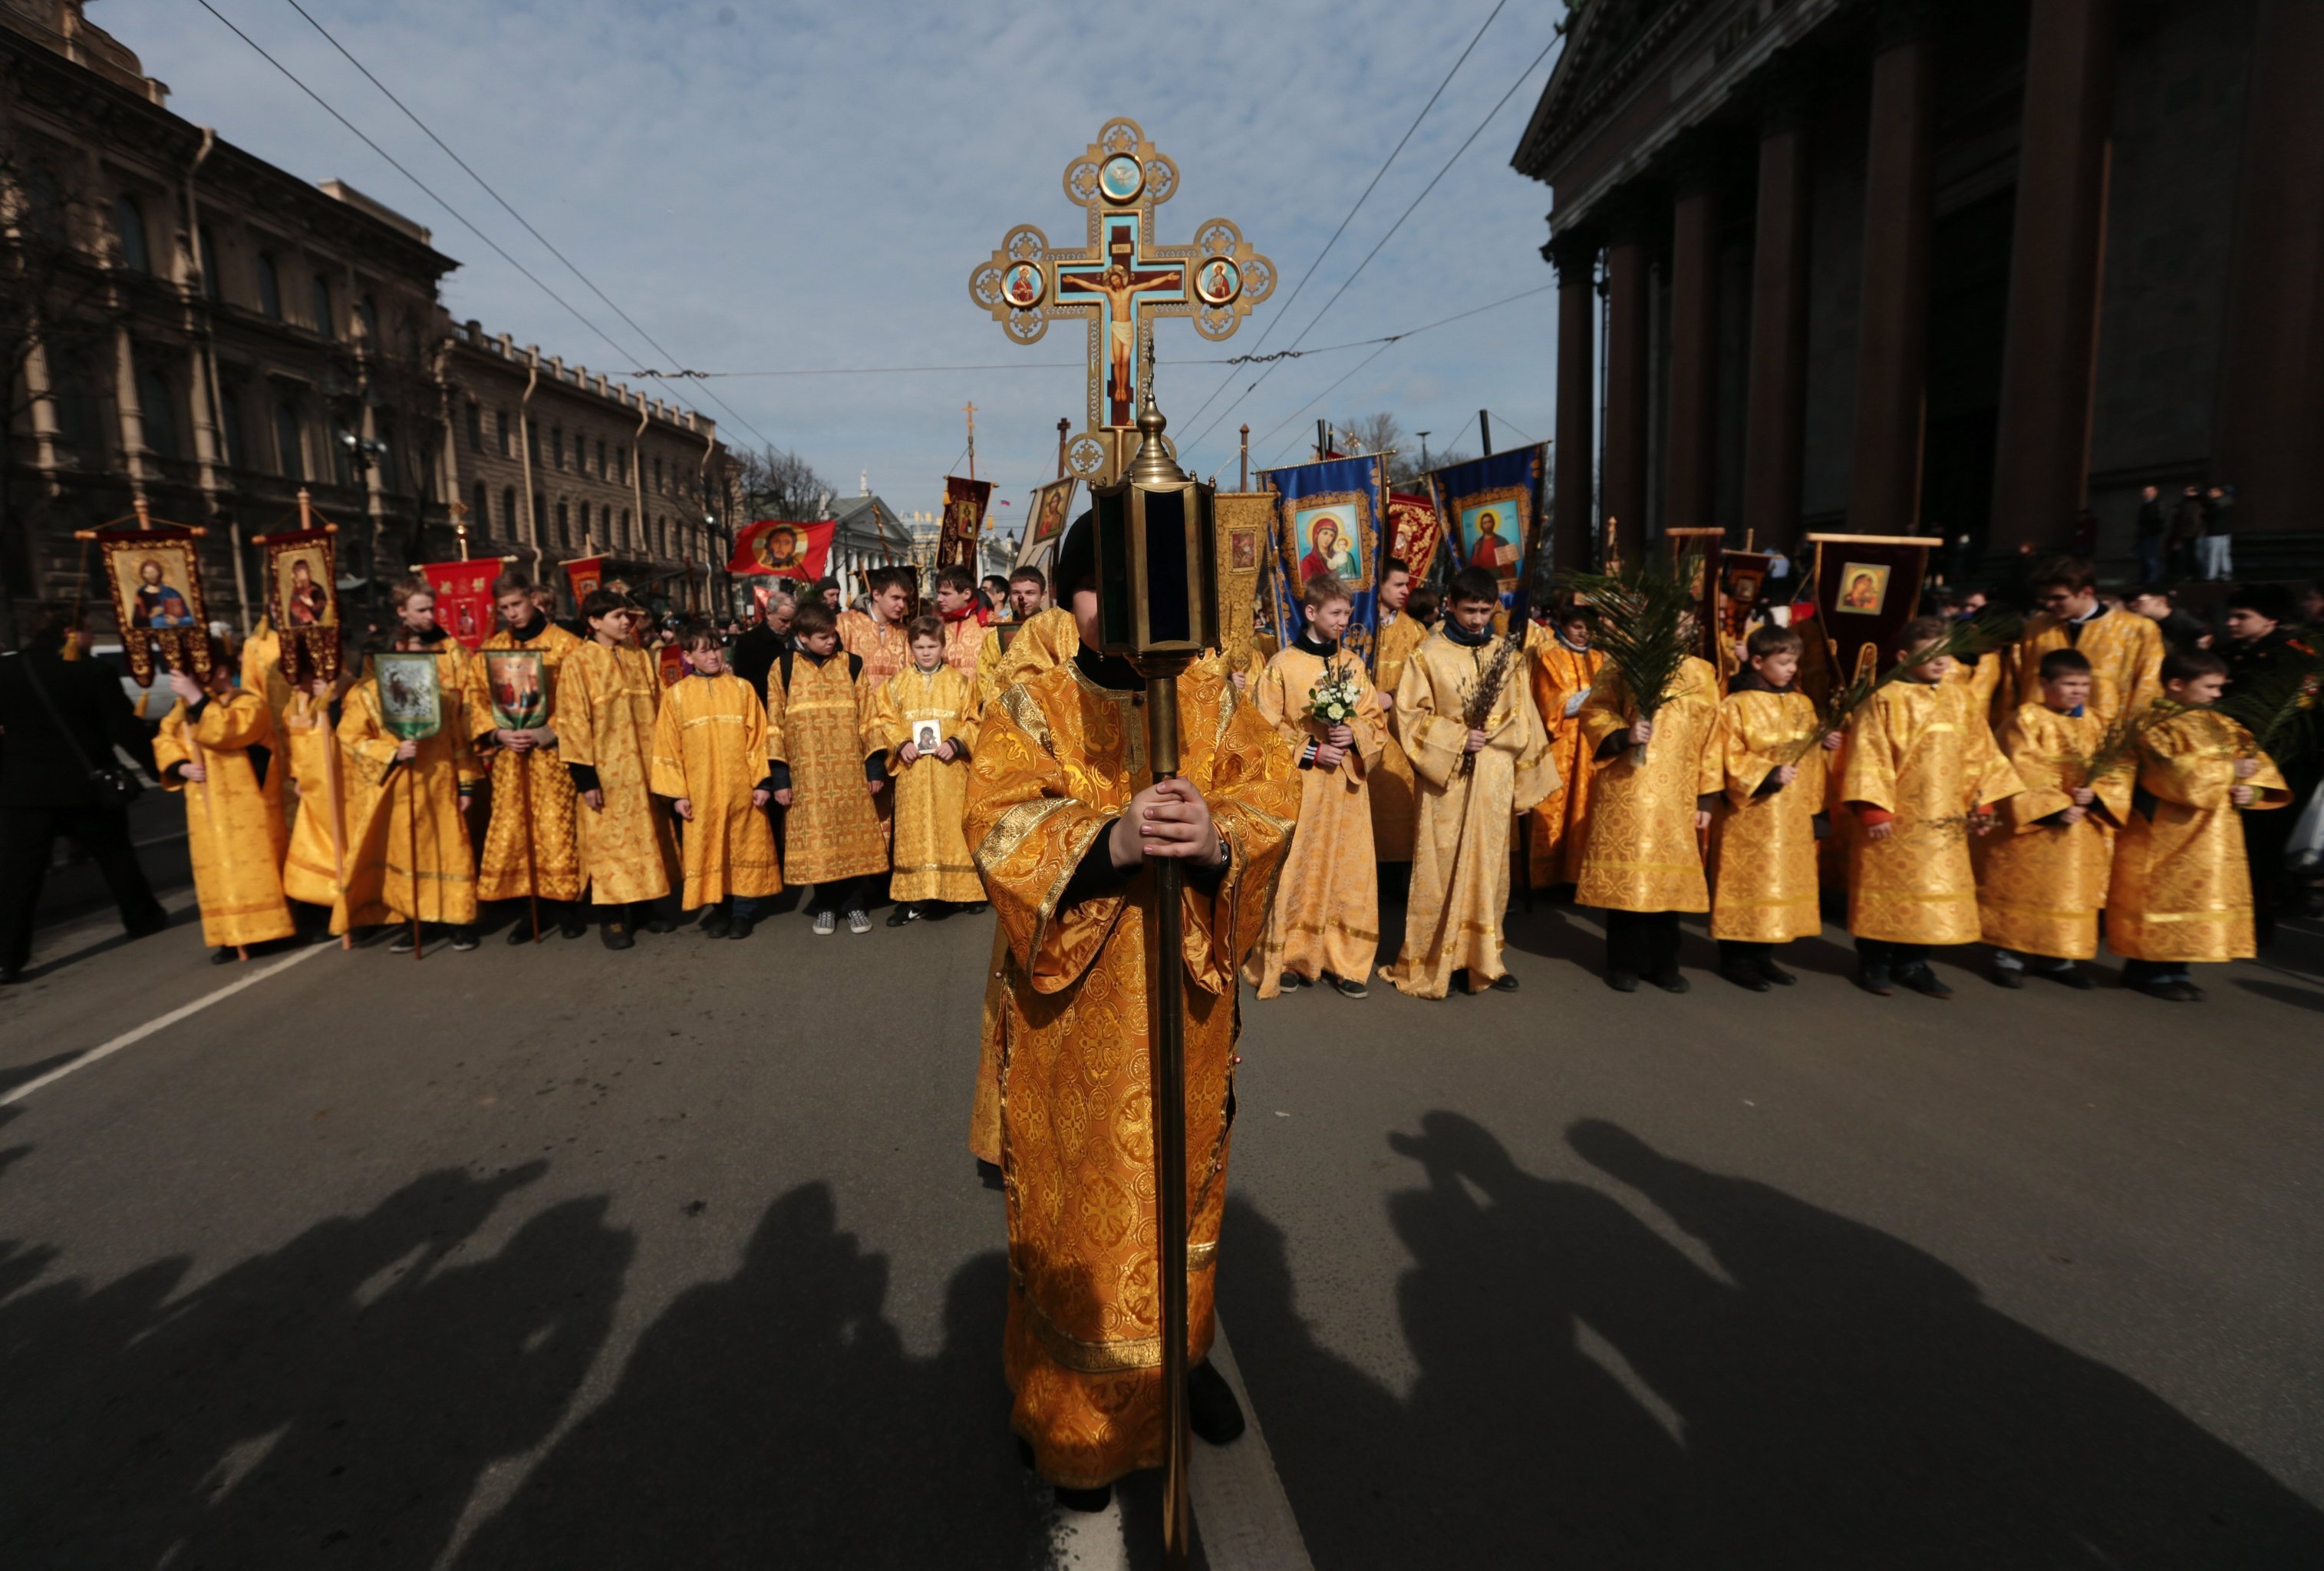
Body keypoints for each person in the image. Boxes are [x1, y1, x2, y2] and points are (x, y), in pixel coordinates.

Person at [963, 510, 1299, 1508]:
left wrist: (1219, 831)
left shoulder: (1232, 688)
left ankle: (1178, 1357)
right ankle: (1072, 1404)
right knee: (1078, 1198)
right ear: (1070, 597)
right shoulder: (1036, 696)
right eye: (1103, 584)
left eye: (1155, 584)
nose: (1130, 607)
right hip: (1074, 1010)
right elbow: (996, 811)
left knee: (1183, 1186)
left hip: (1186, 1001)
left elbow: (1273, 784)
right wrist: (1104, 839)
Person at [1382, 566, 1556, 998]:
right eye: (1469, 610)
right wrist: (1459, 737)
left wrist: (1525, 785)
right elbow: (1408, 717)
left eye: (1484, 611)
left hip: (1494, 777)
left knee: (1489, 868)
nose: (1478, 620)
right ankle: (1435, 958)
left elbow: (1527, 719)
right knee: (1440, 866)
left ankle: (1485, 958)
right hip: (1448, 780)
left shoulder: (1508, 656)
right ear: (1450, 606)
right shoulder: (1428, 656)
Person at [1840, 616, 2022, 998]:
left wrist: (1982, 804)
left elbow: (1980, 754)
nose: (1942, 662)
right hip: (1895, 817)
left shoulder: (1959, 697)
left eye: (1947, 654)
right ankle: (1874, 962)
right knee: (1886, 889)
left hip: (1944, 818)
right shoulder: (1883, 698)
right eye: (1932, 654)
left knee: (1931, 892)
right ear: (1906, 656)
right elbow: (1868, 756)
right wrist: (1873, 809)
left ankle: (1913, 964)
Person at [0, 606, 169, 982]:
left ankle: (7, 957)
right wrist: (163, 768)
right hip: (87, 786)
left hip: (24, 792)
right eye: (88, 631)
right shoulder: (92, 670)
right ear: (71, 633)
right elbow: (124, 729)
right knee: (115, 856)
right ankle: (142, 918)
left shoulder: (6, 670)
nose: (92, 638)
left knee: (18, 876)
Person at [2110, 649, 2291, 998]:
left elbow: (2255, 760)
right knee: (2165, 898)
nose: (2217, 694)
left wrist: (2250, 793)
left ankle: (2178, 968)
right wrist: (2228, 773)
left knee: (2201, 898)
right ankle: (2145, 971)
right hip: (2169, 829)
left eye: (2220, 687)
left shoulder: (2221, 723)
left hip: (2217, 831)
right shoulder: (2152, 724)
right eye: (2210, 686)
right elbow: (2167, 774)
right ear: (2177, 685)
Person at [1248, 573, 1386, 998]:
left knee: (1349, 872)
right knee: (1298, 866)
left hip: (1346, 792)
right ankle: (1289, 954)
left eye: (1348, 612)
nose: (1345, 620)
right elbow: (1260, 731)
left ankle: (1344, 960)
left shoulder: (1353, 666)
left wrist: (1354, 735)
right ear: (1311, 612)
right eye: (1336, 612)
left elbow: (1375, 720)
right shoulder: (1282, 666)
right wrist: (1310, 750)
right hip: (1304, 789)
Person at [335, 579, 482, 952]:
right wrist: (390, 752)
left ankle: (458, 919)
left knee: (451, 849)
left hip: (442, 776)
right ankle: (417, 921)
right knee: (406, 852)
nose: (429, 618)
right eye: (421, 611)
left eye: (432, 610)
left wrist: (466, 782)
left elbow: (460, 731)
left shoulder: (449, 668)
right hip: (398, 785)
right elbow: (350, 737)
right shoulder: (371, 686)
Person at [1575, 629, 1722, 995]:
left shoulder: (1703, 672)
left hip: (1680, 795)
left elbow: (1715, 736)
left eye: (1686, 624)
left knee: (1668, 883)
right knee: (1630, 881)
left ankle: (1664, 963)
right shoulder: (1625, 662)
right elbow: (1596, 709)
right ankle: (1623, 963)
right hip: (1631, 788)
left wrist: (1707, 798)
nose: (1678, 631)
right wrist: (1624, 735)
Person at [1972, 649, 2126, 990]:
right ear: (2044, 684)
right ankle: (2009, 957)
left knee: (2069, 895)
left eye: (2084, 685)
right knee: (2025, 891)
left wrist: (2098, 796)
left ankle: (2059, 960)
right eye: (2069, 683)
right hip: (2035, 829)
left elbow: (2119, 769)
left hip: (2083, 829)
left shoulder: (2099, 722)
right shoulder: (2026, 720)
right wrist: (2056, 807)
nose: (2077, 691)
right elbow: (2020, 768)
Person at [1707, 625, 1838, 990]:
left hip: (1792, 813)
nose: (1792, 669)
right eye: (1784, 662)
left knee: (1778, 885)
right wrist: (1767, 774)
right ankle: (1736, 959)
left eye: (1795, 662)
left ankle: (1764, 956)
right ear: (1758, 661)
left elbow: (1808, 756)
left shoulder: (1801, 703)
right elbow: (1725, 754)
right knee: (1748, 883)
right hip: (1751, 813)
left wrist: (1822, 739)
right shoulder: (1736, 704)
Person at [155, 639, 295, 963]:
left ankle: (263, 933)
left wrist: (196, 699)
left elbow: (231, 731)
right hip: (204, 807)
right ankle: (229, 936)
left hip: (245, 808)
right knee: (215, 872)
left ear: (219, 671)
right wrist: (180, 765)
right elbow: (164, 737)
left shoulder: (249, 703)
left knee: (248, 871)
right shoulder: (182, 710)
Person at [466, 572, 586, 943]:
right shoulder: (492, 650)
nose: (511, 613)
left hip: (553, 758)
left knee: (557, 830)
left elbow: (580, 699)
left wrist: (546, 731)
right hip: (510, 758)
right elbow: (474, 699)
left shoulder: (566, 646)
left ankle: (568, 906)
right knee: (517, 833)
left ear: (533, 598)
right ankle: (530, 911)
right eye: (503, 608)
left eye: (516, 604)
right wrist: (498, 733)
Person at [559, 590, 681, 949]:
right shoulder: (578, 663)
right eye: (617, 616)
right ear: (594, 622)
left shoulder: (640, 657)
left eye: (628, 615)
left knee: (646, 840)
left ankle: (645, 909)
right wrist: (585, 778)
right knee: (609, 848)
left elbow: (660, 708)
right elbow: (572, 723)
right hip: (606, 775)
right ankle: (612, 918)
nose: (626, 621)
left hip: (643, 770)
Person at [650, 620, 781, 939]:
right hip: (701, 793)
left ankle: (743, 912)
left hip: (742, 790)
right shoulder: (676, 696)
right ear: (688, 657)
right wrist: (678, 795)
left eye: (717, 649)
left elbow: (759, 738)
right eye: (704, 651)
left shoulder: (742, 689)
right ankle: (720, 910)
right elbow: (667, 747)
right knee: (711, 850)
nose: (713, 656)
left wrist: (762, 783)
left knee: (744, 848)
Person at [766, 599, 888, 936]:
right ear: (803, 637)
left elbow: (869, 718)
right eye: (822, 637)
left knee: (851, 841)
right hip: (807, 778)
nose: (831, 641)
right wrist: (780, 779)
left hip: (849, 773)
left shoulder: (851, 665)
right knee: (819, 844)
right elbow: (774, 725)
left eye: (833, 635)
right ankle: (826, 905)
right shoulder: (784, 667)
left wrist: (874, 768)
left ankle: (854, 904)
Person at [870, 614, 983, 925]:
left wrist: (958, 743)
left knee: (953, 830)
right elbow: (884, 720)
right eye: (919, 647)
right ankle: (917, 898)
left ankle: (965, 893)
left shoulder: (960, 684)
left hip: (950, 774)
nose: (926, 652)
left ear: (942, 646)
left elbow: (974, 720)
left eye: (932, 646)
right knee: (914, 833)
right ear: (911, 648)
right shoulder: (895, 686)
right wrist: (901, 742)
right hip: (913, 773)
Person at [1996, 556, 2164, 726]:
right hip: (2039, 736)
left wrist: (2133, 736)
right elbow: (2012, 685)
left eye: (2058, 598)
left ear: (2086, 592)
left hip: (2106, 735)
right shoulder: (2033, 629)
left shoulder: (2136, 629)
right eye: (2045, 598)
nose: (2049, 605)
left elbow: (2148, 686)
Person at [1525, 599, 1606, 891]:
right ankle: (1546, 878)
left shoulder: (1601, 659)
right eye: (1577, 627)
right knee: (1554, 807)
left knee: (1585, 808)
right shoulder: (1550, 656)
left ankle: (1577, 878)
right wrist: (1593, 695)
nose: (1583, 633)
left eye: (1588, 628)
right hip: (1559, 745)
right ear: (1563, 625)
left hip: (1591, 746)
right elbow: (1550, 704)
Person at [1368, 556, 1422, 864]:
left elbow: (1427, 685)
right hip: (1361, 734)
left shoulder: (1416, 631)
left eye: (1407, 585)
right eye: (1398, 584)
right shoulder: (1356, 627)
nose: (1405, 591)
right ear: (1379, 586)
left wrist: (1392, 695)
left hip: (1401, 734)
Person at [837, 565, 913, 688]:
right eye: (895, 598)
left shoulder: (904, 633)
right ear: (877, 595)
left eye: (904, 599)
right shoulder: (845, 624)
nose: (902, 605)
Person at [730, 589, 793, 697]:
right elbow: (746, 682)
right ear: (769, 614)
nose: (789, 626)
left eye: (792, 620)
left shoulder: (799, 637)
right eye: (784, 621)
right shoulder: (748, 641)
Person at [931, 565, 984, 684]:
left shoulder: (991, 625)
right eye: (939, 593)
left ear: (966, 594)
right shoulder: (935, 628)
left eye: (946, 594)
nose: (939, 599)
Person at [2127, 585, 2209, 655]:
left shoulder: (2186, 623)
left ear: (2161, 601)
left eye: (2139, 599)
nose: (2132, 604)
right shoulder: (2147, 623)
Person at [2198, 484, 2235, 581]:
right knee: (2224, 554)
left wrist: (2204, 513)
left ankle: (2212, 574)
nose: (2211, 493)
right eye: (2211, 492)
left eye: (2214, 491)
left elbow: (2208, 516)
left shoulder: (2214, 504)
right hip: (2225, 531)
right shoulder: (2228, 501)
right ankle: (2226, 573)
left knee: (2214, 554)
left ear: (2220, 492)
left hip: (2215, 531)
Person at [2134, 484, 2167, 586]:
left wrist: (2154, 529)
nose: (2147, 493)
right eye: (2145, 491)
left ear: (2155, 492)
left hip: (2152, 533)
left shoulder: (2158, 504)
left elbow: (2159, 519)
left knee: (2150, 556)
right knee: (2144, 557)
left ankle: (2153, 578)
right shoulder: (2145, 505)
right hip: (2144, 533)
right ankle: (2145, 578)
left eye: (2149, 491)